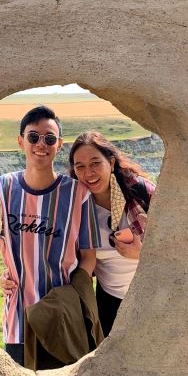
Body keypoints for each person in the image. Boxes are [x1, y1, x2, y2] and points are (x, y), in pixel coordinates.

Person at [0, 105, 98, 365]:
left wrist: (73, 294)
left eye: (49, 138)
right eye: (33, 137)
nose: (41, 144)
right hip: (18, 320)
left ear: (59, 144)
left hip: (62, 320)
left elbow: (88, 255)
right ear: (21, 141)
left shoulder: (78, 194)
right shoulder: (3, 188)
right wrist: (5, 273)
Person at [68, 131, 155, 335]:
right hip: (110, 305)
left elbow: (178, 243)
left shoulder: (141, 193)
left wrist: (141, 254)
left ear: (112, 163)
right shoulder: (77, 207)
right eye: (80, 166)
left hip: (152, 298)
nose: (89, 173)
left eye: (95, 163)